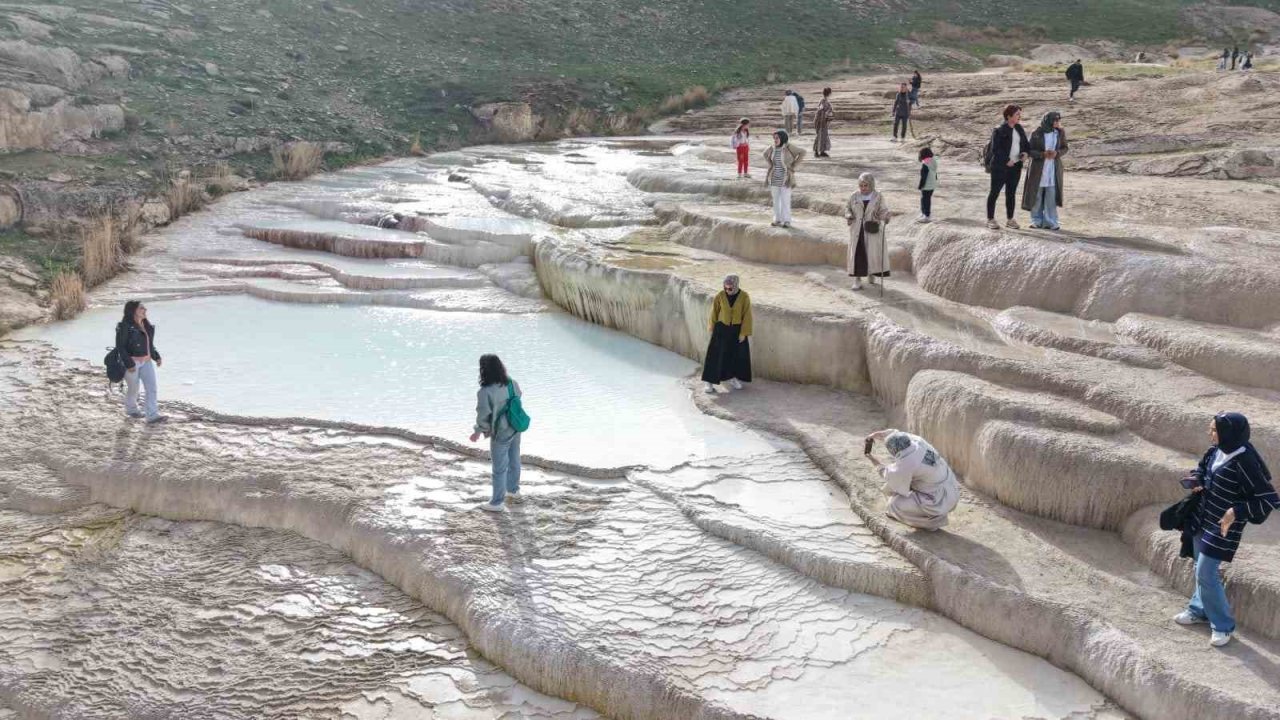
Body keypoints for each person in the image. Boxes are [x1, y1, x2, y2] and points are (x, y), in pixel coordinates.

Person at [1173, 413, 1279, 647]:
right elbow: (1201, 468)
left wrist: (1236, 512)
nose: (1210, 433)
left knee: (1206, 572)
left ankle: (1222, 626)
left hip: (1223, 528)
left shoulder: (1245, 462)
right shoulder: (1215, 451)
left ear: (1228, 433)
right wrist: (1197, 479)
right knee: (1200, 568)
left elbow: (1268, 499)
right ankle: (1199, 610)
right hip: (1202, 518)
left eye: (1214, 430)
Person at [864, 429, 961, 530]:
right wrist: (877, 434)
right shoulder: (918, 441)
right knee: (908, 482)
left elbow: (886, 473)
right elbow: (896, 434)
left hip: (937, 500)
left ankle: (931, 523)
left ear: (894, 451)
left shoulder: (907, 463)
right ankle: (932, 512)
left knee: (893, 505)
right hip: (952, 489)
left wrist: (871, 458)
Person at [469, 354, 524, 512]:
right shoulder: (512, 383)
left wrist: (478, 432)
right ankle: (513, 490)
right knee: (514, 458)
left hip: (501, 431)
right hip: (516, 426)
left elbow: (483, 415)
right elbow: (519, 395)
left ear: (483, 370)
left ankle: (497, 503)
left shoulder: (485, 391)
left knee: (499, 468)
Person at [116, 300, 165, 424]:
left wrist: (156, 356)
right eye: (141, 308)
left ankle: (152, 415)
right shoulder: (125, 326)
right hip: (132, 363)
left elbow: (149, 345)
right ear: (133, 311)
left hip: (147, 362)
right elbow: (120, 346)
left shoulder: (147, 325)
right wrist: (129, 364)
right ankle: (132, 410)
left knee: (152, 388)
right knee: (134, 389)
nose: (145, 310)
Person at [701, 274, 752, 392]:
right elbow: (714, 312)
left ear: (736, 286)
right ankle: (709, 382)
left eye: (730, 288)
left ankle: (731, 378)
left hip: (736, 330)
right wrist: (712, 327)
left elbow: (747, 316)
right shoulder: (720, 296)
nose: (727, 290)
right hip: (721, 329)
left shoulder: (744, 297)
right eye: (725, 288)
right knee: (714, 356)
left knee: (733, 355)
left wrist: (743, 333)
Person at [986, 104, 1029, 230]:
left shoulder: (1019, 128)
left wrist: (1026, 153)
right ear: (1009, 116)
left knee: (1011, 193)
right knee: (994, 192)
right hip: (1000, 166)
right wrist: (1006, 160)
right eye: (1017, 114)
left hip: (1015, 166)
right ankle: (990, 219)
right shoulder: (999, 130)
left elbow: (1026, 145)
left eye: (1019, 114)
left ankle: (1010, 219)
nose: (1019, 117)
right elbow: (995, 149)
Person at [1022, 111, 1068, 231]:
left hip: (1053, 168)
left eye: (1059, 120)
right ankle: (1036, 221)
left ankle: (1050, 222)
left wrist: (1057, 153)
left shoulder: (1060, 133)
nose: (1058, 122)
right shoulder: (1036, 133)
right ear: (1048, 121)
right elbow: (1029, 150)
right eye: (1055, 120)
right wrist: (1042, 154)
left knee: (1051, 197)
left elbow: (1065, 148)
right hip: (1038, 169)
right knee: (1036, 196)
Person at [845, 172, 891, 290]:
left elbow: (882, 210)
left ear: (871, 185)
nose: (863, 188)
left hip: (872, 229)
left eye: (866, 185)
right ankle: (857, 280)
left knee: (872, 253)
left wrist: (885, 216)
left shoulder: (878, 196)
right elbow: (848, 208)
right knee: (858, 255)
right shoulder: (854, 196)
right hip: (857, 230)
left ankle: (871, 274)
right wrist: (849, 215)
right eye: (861, 185)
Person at [762, 129, 802, 228]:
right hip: (774, 178)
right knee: (776, 201)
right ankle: (777, 219)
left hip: (786, 179)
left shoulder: (788, 147)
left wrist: (793, 165)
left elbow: (802, 152)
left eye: (777, 138)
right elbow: (764, 154)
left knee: (785, 200)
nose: (775, 140)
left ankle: (787, 221)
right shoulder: (772, 148)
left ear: (782, 138)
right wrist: (770, 164)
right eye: (774, 138)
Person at [917, 147, 937, 224]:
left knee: (925, 200)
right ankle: (923, 213)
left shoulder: (925, 163)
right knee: (925, 199)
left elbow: (923, 176)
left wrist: (921, 185)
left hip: (927, 185)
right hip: (933, 184)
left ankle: (927, 215)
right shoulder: (934, 160)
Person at [812, 87, 834, 158]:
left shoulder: (825, 101)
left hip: (823, 121)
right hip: (821, 122)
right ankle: (816, 151)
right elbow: (820, 111)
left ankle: (822, 151)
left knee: (824, 136)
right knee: (819, 136)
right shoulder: (823, 101)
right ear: (829, 93)